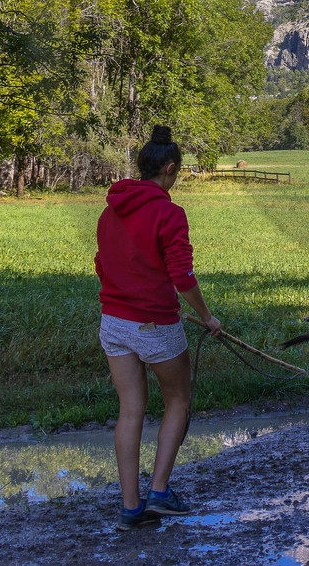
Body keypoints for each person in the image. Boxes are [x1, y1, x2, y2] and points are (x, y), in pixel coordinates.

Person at [95, 126, 221, 529]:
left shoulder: (110, 210)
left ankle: (131, 508)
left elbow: (103, 265)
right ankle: (160, 493)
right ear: (169, 169)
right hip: (155, 325)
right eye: (177, 172)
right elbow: (182, 276)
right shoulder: (169, 213)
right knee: (178, 401)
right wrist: (207, 317)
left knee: (130, 410)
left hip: (114, 322)